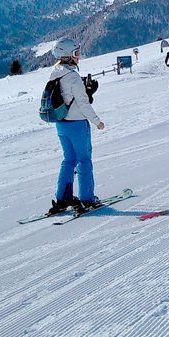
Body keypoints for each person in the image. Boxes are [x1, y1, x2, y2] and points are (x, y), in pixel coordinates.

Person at [47, 39, 106, 215]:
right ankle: (87, 199)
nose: (78, 57)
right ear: (67, 56)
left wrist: (86, 91)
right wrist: (97, 121)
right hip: (78, 124)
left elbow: (66, 96)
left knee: (68, 160)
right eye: (76, 53)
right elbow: (82, 103)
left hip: (61, 124)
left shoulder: (55, 72)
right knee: (84, 160)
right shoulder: (72, 76)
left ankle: (62, 198)